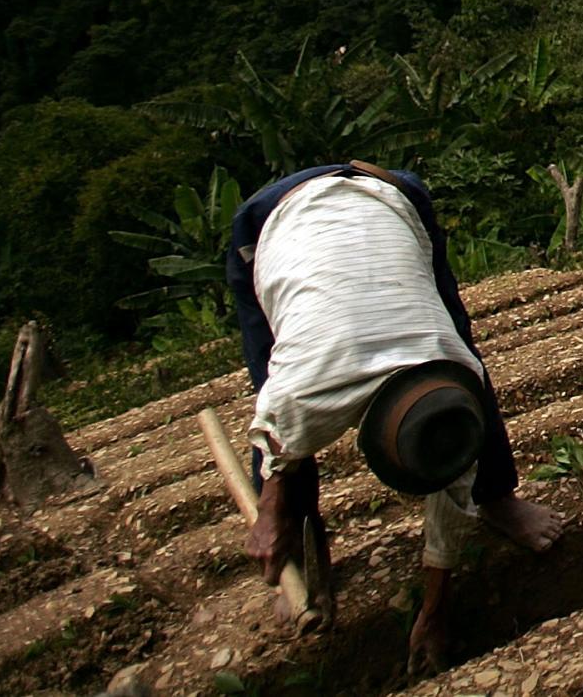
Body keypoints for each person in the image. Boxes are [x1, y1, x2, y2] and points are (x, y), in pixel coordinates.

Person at [226, 161, 565, 667]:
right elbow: (275, 441)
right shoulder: (304, 392)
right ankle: (294, 551)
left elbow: (451, 502)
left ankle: (498, 498)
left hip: (391, 195)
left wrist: (434, 613)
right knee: (268, 394)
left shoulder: (456, 378)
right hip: (269, 223)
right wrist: (270, 514)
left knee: (463, 345)